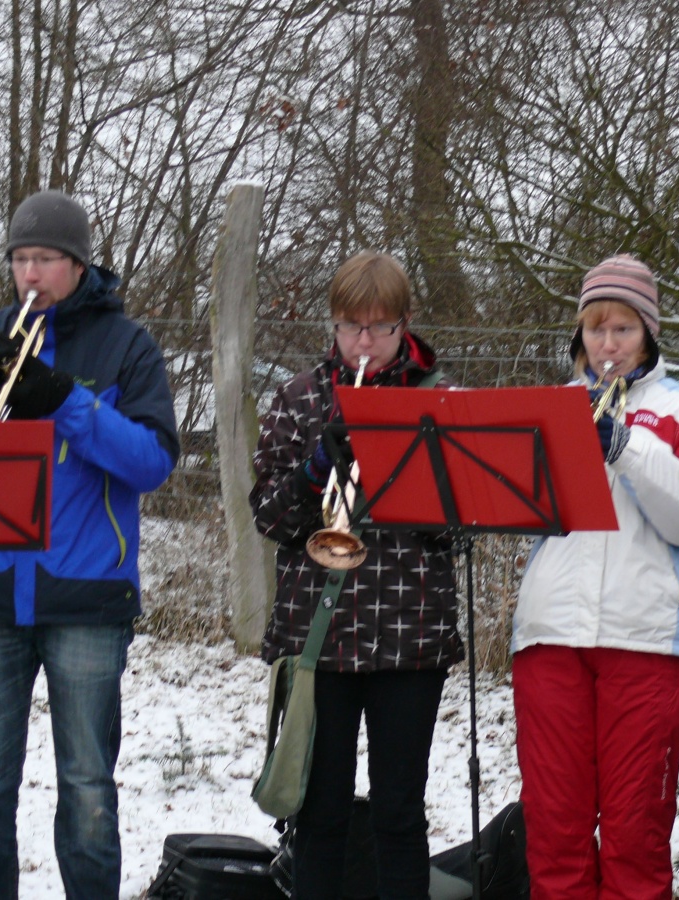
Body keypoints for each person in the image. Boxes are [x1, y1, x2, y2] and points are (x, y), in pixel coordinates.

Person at [0, 189, 180, 899]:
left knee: (90, 793)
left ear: (78, 265)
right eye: (20, 260)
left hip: (88, 597)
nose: (31, 275)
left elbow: (153, 461)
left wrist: (64, 398)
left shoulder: (128, 345)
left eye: (46, 260)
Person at [510, 254, 679, 899]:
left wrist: (627, 446)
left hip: (648, 644)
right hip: (551, 637)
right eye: (595, 329)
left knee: (636, 838)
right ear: (578, 334)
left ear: (650, 334)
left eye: (624, 330)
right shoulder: (550, 407)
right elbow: (519, 510)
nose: (607, 345)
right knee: (555, 833)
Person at [249, 251, 461, 899]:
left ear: (404, 326)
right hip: (320, 633)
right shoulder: (297, 397)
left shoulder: (440, 402)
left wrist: (407, 474)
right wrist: (318, 468)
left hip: (410, 633)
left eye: (378, 327)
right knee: (320, 816)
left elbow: (464, 523)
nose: (362, 342)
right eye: (349, 327)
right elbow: (269, 515)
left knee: (399, 814)